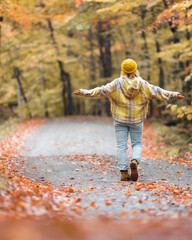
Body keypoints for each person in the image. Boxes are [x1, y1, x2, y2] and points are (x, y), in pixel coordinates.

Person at [73, 59, 184, 182]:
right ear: (135, 70)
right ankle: (134, 161)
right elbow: (158, 92)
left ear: (123, 70)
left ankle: (124, 173)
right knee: (137, 144)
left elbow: (102, 90)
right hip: (137, 120)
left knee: (121, 146)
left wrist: (84, 92)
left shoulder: (117, 83)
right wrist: (174, 95)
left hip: (120, 119)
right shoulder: (143, 84)